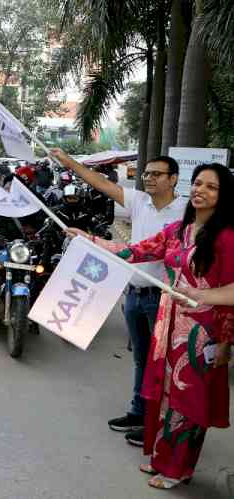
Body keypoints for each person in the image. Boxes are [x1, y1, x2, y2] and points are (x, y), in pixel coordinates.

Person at [66, 162, 234, 490]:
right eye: (198, 183)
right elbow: (134, 251)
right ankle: (164, 460)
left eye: (212, 187)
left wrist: (202, 296)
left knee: (189, 402)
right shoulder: (177, 231)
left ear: (224, 195)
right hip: (166, 325)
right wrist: (88, 239)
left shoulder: (227, 237)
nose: (201, 190)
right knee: (165, 398)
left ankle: (178, 469)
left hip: (202, 335)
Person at [51, 148, 187, 448]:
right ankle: (139, 412)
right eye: (147, 173)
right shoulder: (139, 202)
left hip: (163, 298)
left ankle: (157, 423)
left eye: (157, 174)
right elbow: (100, 183)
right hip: (135, 294)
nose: (149, 178)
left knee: (160, 363)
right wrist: (69, 162)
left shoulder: (184, 212)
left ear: (173, 179)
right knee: (140, 358)